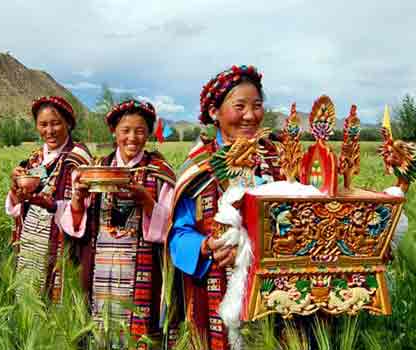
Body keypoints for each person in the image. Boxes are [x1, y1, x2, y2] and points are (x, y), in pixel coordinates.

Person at [166, 65, 283, 350]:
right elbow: (178, 234)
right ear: (215, 112)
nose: (250, 115)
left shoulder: (278, 161)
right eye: (239, 106)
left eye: (257, 106)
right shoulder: (197, 166)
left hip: (273, 292)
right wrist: (206, 246)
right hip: (213, 287)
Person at [64, 99, 176, 348]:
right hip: (100, 267)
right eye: (125, 131)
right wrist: (78, 198)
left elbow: (171, 224)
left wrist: (147, 202)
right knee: (99, 331)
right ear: (114, 132)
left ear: (148, 133)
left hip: (139, 270)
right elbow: (75, 223)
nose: (132, 138)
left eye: (140, 131)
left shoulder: (159, 172)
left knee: (137, 335)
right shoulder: (96, 169)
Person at [5, 96, 92, 303]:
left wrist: (51, 205)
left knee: (57, 306)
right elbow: (18, 205)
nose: (49, 131)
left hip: (62, 242)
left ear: (68, 124)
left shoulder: (78, 158)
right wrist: (15, 186)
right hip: (30, 241)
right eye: (43, 124)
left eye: (56, 123)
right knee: (29, 302)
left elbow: (84, 208)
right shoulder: (34, 159)